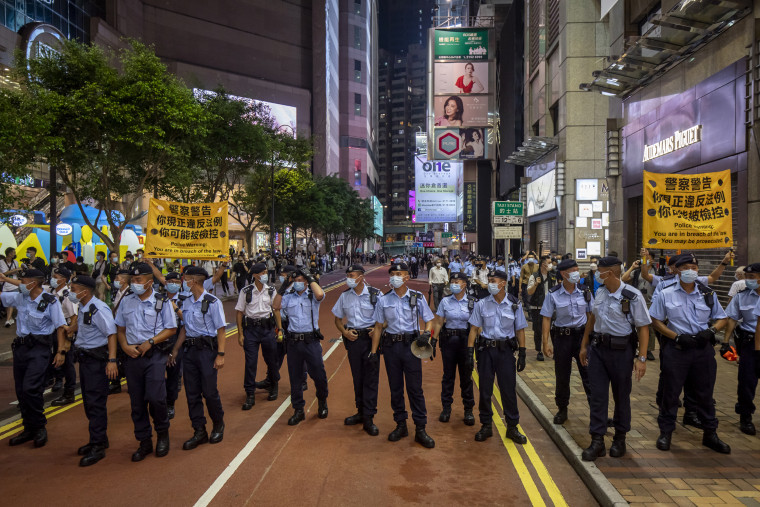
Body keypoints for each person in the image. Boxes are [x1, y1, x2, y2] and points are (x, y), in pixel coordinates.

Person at [649, 254, 730, 454]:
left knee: (705, 393)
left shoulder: (707, 293)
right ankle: (666, 432)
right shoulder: (666, 293)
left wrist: (711, 331)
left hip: (702, 350)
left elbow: (722, 318)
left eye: (693, 267)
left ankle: (710, 433)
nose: (690, 271)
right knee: (671, 392)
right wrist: (675, 337)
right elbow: (655, 320)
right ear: (676, 270)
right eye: (685, 267)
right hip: (677, 350)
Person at [579, 256, 650, 461]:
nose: (596, 274)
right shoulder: (600, 292)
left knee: (621, 395)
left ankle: (620, 438)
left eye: (599, 271)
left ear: (609, 273)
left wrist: (642, 358)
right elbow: (592, 319)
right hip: (598, 351)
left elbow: (643, 327)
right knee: (598, 396)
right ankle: (597, 440)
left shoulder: (632, 295)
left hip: (622, 352)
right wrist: (584, 346)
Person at [369, 262, 436, 448]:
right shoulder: (384, 299)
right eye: (393, 274)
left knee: (415, 389)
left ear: (407, 277)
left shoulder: (417, 297)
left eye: (399, 274)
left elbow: (429, 320)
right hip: (391, 347)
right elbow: (377, 327)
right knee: (395, 388)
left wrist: (426, 334)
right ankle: (400, 424)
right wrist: (374, 353)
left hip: (411, 347)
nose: (395, 277)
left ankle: (420, 428)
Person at [115, 263, 177, 462]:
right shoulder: (127, 301)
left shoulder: (162, 301)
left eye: (138, 280)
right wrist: (124, 346)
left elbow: (171, 329)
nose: (134, 283)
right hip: (132, 356)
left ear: (150, 282)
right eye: (132, 280)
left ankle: (162, 434)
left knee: (156, 397)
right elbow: (120, 328)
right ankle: (144, 441)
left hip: (154, 356)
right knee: (137, 402)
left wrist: (151, 342)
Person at [0, 268, 66, 447]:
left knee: (31, 388)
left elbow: (60, 327)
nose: (20, 284)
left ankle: (39, 427)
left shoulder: (50, 301)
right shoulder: (21, 297)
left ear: (34, 282)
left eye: (23, 281)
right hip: (21, 349)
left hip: (39, 349)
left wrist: (60, 352)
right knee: (21, 390)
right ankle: (28, 428)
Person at [466, 270, 528, 444]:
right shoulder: (481, 304)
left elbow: (520, 330)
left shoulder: (515, 304)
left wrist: (522, 353)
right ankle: (486, 425)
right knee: (485, 390)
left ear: (503, 283)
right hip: (486, 351)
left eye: (493, 280)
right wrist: (470, 353)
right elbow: (473, 329)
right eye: (489, 280)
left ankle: (512, 427)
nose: (490, 283)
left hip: (506, 352)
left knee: (508, 390)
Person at [171, 266, 226, 450]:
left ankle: (218, 424)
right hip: (190, 352)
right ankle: (199, 430)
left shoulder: (212, 302)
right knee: (191, 393)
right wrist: (176, 350)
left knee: (209, 392)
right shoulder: (186, 302)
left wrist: (220, 354)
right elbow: (185, 329)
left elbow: (221, 329)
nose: (183, 283)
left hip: (207, 352)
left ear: (193, 281)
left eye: (185, 279)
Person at [67, 275, 118, 466]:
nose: (71, 292)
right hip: (86, 361)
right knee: (89, 402)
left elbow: (111, 333)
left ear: (85, 291)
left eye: (73, 289)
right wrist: (71, 328)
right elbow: (84, 325)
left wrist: (112, 361)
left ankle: (98, 445)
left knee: (95, 404)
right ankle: (98, 439)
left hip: (97, 362)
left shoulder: (98, 309)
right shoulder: (84, 306)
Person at [273, 268, 329, 426]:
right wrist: (285, 285)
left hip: (311, 342)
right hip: (293, 343)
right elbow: (275, 306)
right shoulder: (288, 297)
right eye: (295, 280)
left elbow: (320, 294)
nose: (297, 283)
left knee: (319, 374)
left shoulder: (312, 296)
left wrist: (310, 277)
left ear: (305, 282)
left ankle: (322, 401)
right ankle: (298, 410)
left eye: (300, 280)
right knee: (295, 378)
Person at [540, 259, 593, 425]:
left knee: (589, 375)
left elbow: (591, 316)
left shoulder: (585, 291)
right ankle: (562, 409)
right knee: (562, 376)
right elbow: (547, 318)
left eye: (577, 269)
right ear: (564, 274)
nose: (577, 273)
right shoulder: (553, 294)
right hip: (562, 338)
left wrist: (591, 339)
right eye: (574, 270)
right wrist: (545, 342)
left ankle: (596, 412)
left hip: (582, 338)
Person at [332, 264, 382, 435]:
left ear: (361, 276)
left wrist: (377, 330)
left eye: (352, 275)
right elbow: (337, 319)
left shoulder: (376, 295)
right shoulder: (345, 296)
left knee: (371, 378)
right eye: (348, 275)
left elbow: (385, 319)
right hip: (354, 341)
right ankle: (360, 412)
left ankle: (369, 417)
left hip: (370, 340)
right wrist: (344, 332)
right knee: (357, 377)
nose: (349, 278)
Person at [432, 272, 475, 426]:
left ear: (464, 284)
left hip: (465, 341)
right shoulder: (445, 301)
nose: (454, 284)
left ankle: (468, 409)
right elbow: (438, 322)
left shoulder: (472, 302)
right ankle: (446, 408)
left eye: (457, 281)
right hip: (449, 341)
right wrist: (433, 340)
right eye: (452, 281)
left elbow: (477, 326)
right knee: (448, 376)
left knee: (466, 376)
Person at [724, 263, 760, 435]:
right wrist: (726, 342)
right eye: (747, 277)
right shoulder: (742, 296)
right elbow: (732, 318)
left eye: (752, 278)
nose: (748, 281)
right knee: (747, 381)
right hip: (749, 343)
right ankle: (745, 417)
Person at [237, 263, 279, 410]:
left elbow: (276, 310)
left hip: (267, 329)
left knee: (271, 360)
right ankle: (250, 393)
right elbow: (239, 312)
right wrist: (240, 334)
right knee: (250, 363)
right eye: (263, 272)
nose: (265, 274)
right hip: (251, 331)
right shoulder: (246, 291)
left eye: (266, 272)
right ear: (255, 275)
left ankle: (274, 385)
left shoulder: (271, 290)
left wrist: (279, 330)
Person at [48, 267, 79, 406]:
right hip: (53, 330)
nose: (53, 278)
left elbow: (74, 318)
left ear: (64, 279)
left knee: (67, 362)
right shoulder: (50, 292)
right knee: (53, 356)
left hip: (65, 331)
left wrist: (69, 339)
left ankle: (69, 392)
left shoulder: (67, 296)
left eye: (56, 276)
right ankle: (57, 379)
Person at [526, 256, 558, 361]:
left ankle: (554, 350)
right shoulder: (534, 276)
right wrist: (536, 284)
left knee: (553, 329)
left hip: (551, 307)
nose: (550, 265)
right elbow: (529, 292)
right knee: (538, 330)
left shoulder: (553, 276)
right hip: (537, 307)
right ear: (543, 264)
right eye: (548, 263)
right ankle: (539, 350)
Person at [163, 272, 184, 419]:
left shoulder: (184, 300)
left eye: (177, 282)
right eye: (170, 281)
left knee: (172, 373)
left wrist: (174, 306)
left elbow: (186, 321)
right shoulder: (158, 298)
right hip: (159, 338)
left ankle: (170, 403)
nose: (173, 284)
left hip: (175, 337)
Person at [1, 247, 20, 327]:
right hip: (5, 285)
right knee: (7, 301)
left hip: (14, 284)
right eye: (13, 252)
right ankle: (10, 318)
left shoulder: (15, 262)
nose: (14, 254)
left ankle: (8, 319)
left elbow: (17, 273)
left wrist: (18, 270)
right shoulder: (1, 262)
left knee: (11, 301)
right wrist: (15, 270)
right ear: (9, 253)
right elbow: (4, 273)